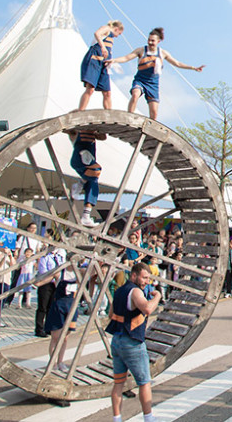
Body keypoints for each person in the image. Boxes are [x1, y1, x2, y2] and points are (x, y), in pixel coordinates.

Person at [107, 27, 204, 121]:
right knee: (135, 95)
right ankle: (129, 117)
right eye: (149, 40)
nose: (150, 42)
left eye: (152, 41)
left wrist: (193, 68)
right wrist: (114, 60)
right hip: (140, 80)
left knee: (154, 113)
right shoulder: (141, 50)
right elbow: (126, 58)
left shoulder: (162, 53)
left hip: (153, 84)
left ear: (158, 41)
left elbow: (177, 63)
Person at [107, 262, 162, 422]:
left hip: (117, 340)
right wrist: (157, 297)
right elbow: (147, 309)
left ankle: (117, 419)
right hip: (132, 342)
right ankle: (149, 418)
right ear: (133, 275)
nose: (146, 281)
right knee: (144, 382)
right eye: (144, 277)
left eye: (148, 278)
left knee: (118, 383)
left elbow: (111, 313)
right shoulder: (135, 291)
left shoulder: (119, 290)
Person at [45, 259, 85, 372]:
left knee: (65, 338)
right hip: (59, 307)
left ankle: (60, 361)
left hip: (71, 307)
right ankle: (52, 362)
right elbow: (46, 279)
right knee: (55, 337)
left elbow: (92, 272)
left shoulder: (80, 272)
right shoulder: (60, 273)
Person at [78, 21, 124, 111]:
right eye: (119, 33)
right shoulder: (107, 29)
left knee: (107, 92)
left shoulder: (111, 39)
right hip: (95, 60)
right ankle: (81, 110)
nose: (118, 36)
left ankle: (109, 113)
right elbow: (97, 33)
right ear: (116, 29)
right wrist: (102, 47)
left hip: (104, 64)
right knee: (90, 88)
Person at [67, 129, 107, 226]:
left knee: (93, 183)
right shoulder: (77, 129)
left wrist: (96, 132)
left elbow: (104, 137)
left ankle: (86, 216)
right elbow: (68, 130)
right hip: (80, 158)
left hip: (89, 161)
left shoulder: (92, 131)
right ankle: (80, 184)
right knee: (96, 170)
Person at [35, 245, 63, 337]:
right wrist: (53, 276)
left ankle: (48, 327)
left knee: (51, 307)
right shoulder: (45, 257)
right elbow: (43, 271)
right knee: (42, 307)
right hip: (46, 283)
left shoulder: (59, 257)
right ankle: (39, 329)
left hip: (56, 284)